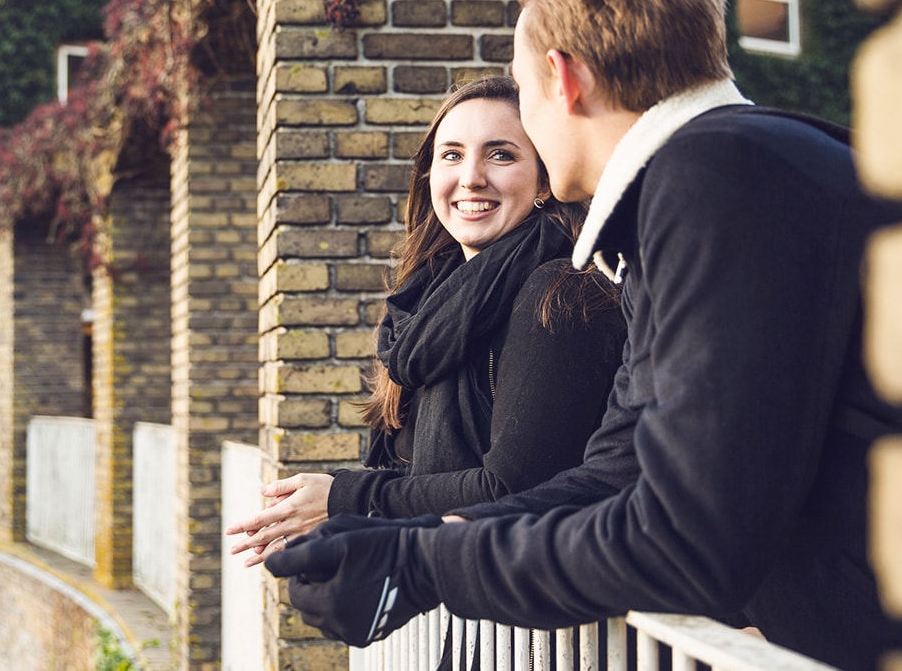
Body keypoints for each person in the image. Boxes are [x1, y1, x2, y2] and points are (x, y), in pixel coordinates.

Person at [265, 0, 902, 670]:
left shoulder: (718, 178)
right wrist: (409, 543)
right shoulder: (712, 177)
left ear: (564, 79)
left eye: (522, 90)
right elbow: (611, 475)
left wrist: (426, 567)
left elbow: (686, 543)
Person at [226, 76, 623, 568]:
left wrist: (344, 500)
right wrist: (328, 510)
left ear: (544, 180)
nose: (471, 177)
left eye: (501, 155)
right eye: (451, 155)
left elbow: (515, 490)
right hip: (459, 590)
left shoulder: (562, 292)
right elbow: (417, 475)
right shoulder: (428, 305)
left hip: (538, 604)